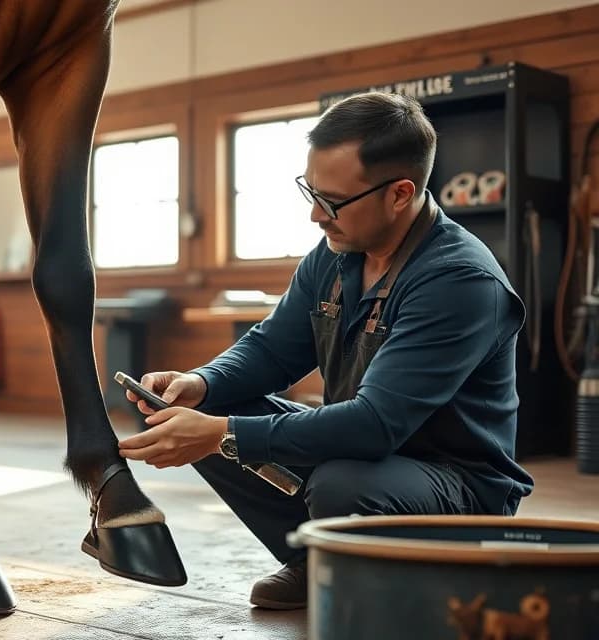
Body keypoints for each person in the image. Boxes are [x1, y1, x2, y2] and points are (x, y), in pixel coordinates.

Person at [117, 91, 533, 610]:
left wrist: (221, 436)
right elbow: (273, 350)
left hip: (458, 490)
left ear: (400, 193)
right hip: (367, 456)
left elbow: (375, 423)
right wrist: (201, 383)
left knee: (340, 481)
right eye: (310, 193)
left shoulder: (458, 280)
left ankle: (394, 578)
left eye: (332, 201)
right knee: (207, 408)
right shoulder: (339, 251)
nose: (316, 215)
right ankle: (318, 561)